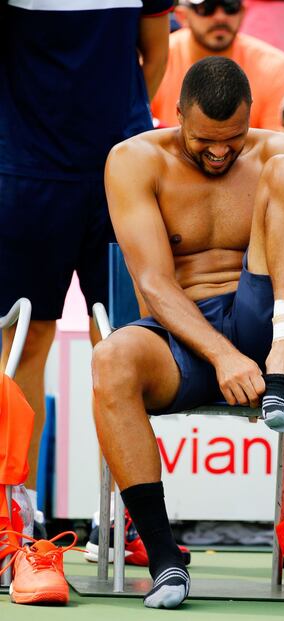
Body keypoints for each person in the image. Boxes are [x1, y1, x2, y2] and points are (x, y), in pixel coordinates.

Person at [92, 57, 284, 609]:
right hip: (183, 331)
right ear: (177, 114)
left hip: (267, 320)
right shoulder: (133, 160)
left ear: (250, 117)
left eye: (232, 138)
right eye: (203, 139)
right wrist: (223, 357)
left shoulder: (279, 154)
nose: (219, 151)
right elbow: (155, 286)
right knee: (111, 358)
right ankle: (166, 562)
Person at [0, 0, 172, 518]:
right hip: (26, 174)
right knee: (25, 341)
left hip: (120, 174)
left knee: (129, 342)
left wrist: (123, 137)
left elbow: (155, 53)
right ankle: (17, 512)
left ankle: (125, 517)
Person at [151, 0, 284, 130]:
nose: (220, 17)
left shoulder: (274, 67)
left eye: (230, 6)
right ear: (183, 16)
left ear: (243, 12)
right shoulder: (155, 59)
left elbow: (278, 147)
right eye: (207, 7)